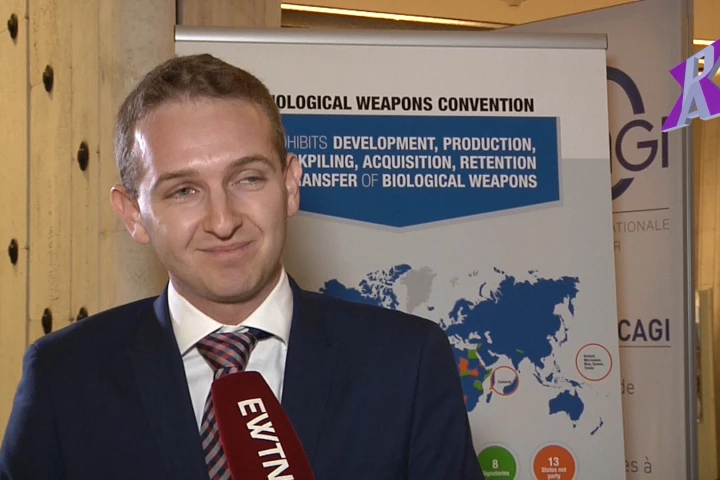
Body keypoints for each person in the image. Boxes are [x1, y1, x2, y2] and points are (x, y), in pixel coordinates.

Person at [0, 54, 484, 480]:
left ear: (290, 186)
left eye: (248, 179)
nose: (223, 221)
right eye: (184, 191)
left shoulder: (406, 364)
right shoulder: (66, 378)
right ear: (133, 215)